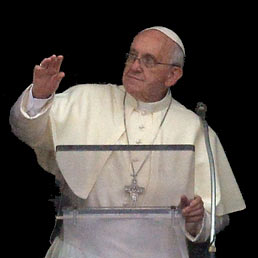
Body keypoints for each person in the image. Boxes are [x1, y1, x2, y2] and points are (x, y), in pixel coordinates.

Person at [10, 26, 245, 258]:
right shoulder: (85, 99)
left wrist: (198, 220)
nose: (134, 66)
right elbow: (29, 132)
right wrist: (39, 96)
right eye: (133, 55)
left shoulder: (193, 128)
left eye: (149, 60)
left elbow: (216, 217)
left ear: (173, 75)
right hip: (81, 251)